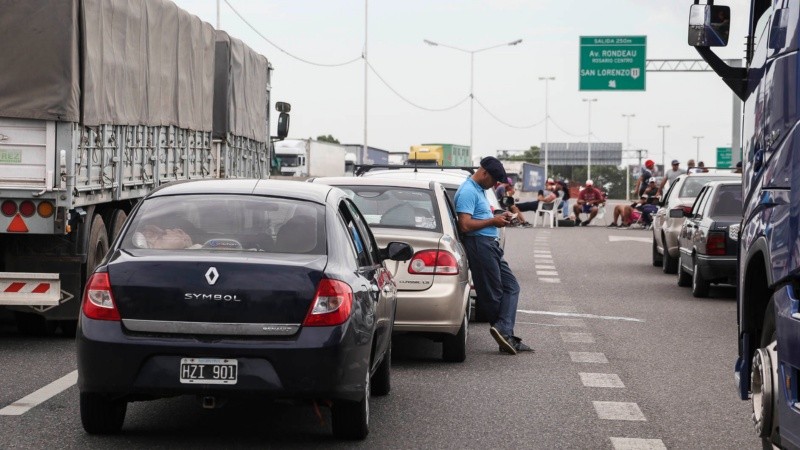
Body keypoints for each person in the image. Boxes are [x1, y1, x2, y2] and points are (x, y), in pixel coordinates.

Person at [455, 156, 531, 355]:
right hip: (480, 245)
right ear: (484, 172)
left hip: (490, 244)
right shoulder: (468, 191)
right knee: (492, 294)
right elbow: (465, 225)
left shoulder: (480, 190)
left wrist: (499, 217)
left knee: (511, 287)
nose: (495, 184)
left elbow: (481, 217)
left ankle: (505, 332)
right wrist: (492, 222)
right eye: (494, 180)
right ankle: (507, 337)